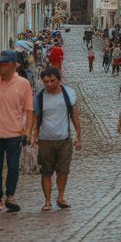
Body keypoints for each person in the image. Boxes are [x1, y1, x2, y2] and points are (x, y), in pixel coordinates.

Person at [0, 49, 34, 213]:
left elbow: (29, 109)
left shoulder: (23, 84)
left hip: (14, 134)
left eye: (3, 64)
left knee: (13, 166)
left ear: (13, 66)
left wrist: (29, 131)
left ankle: (10, 195)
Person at [30, 65, 81, 211]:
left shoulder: (68, 94)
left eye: (52, 81)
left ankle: (60, 196)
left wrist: (79, 137)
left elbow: (74, 116)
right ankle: (47, 201)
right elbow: (35, 118)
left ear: (59, 79)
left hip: (64, 139)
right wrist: (34, 136)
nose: (49, 84)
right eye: (45, 82)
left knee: (63, 170)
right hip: (45, 139)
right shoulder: (39, 97)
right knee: (46, 172)